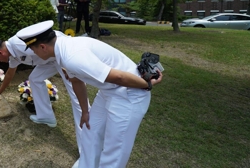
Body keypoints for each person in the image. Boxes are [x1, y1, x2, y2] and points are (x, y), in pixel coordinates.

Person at [16, 20, 164, 168]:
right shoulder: (62, 49)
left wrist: (147, 84)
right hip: (110, 91)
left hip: (129, 93)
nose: (33, 54)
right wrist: (85, 112)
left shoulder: (72, 56)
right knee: (90, 130)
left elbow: (119, 77)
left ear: (42, 47)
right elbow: (76, 82)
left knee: (115, 149)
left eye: (33, 50)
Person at [0, 32, 87, 154]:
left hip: (62, 56)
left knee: (78, 100)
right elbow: (10, 73)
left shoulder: (19, 43)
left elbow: (55, 41)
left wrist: (67, 63)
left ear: (0, 53)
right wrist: (0, 90)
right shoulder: (12, 55)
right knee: (35, 79)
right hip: (49, 60)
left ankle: (86, 150)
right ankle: (46, 116)